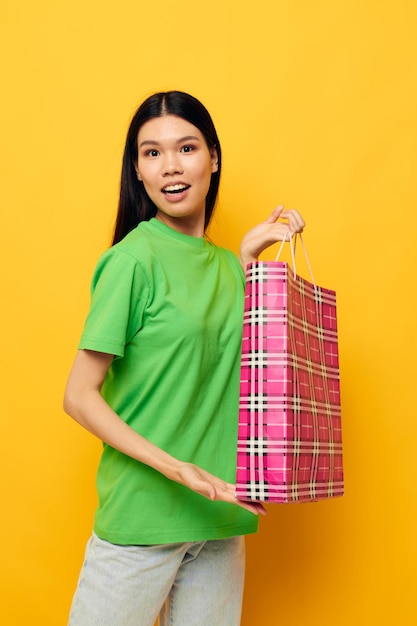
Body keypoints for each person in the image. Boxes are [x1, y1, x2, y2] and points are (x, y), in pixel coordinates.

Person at [64, 90, 305, 626]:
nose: (171, 167)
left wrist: (247, 261)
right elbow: (78, 396)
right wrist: (182, 471)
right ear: (138, 171)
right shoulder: (131, 261)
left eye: (187, 148)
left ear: (213, 158)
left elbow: (236, 372)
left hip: (221, 520)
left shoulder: (229, 266)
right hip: (144, 521)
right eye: (152, 153)